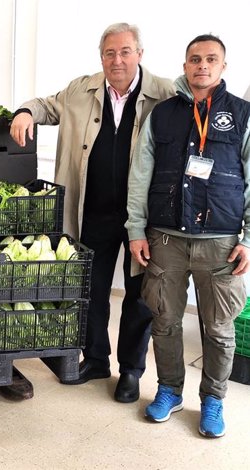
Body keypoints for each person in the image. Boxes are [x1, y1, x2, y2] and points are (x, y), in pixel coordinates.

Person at [9, 23, 175, 402]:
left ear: (139, 54)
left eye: (125, 52)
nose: (117, 60)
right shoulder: (79, 90)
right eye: (109, 53)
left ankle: (131, 372)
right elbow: (46, 105)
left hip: (144, 218)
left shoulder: (165, 93)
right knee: (92, 290)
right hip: (93, 211)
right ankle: (96, 359)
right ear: (101, 57)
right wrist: (23, 112)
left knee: (140, 296)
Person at [127, 34, 250, 438]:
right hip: (165, 237)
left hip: (222, 241)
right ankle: (169, 391)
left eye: (211, 59)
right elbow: (140, 174)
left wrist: (248, 239)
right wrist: (136, 230)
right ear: (185, 65)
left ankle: (213, 400)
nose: (202, 66)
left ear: (223, 67)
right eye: (195, 59)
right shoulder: (162, 114)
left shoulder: (243, 115)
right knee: (164, 321)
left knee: (218, 328)